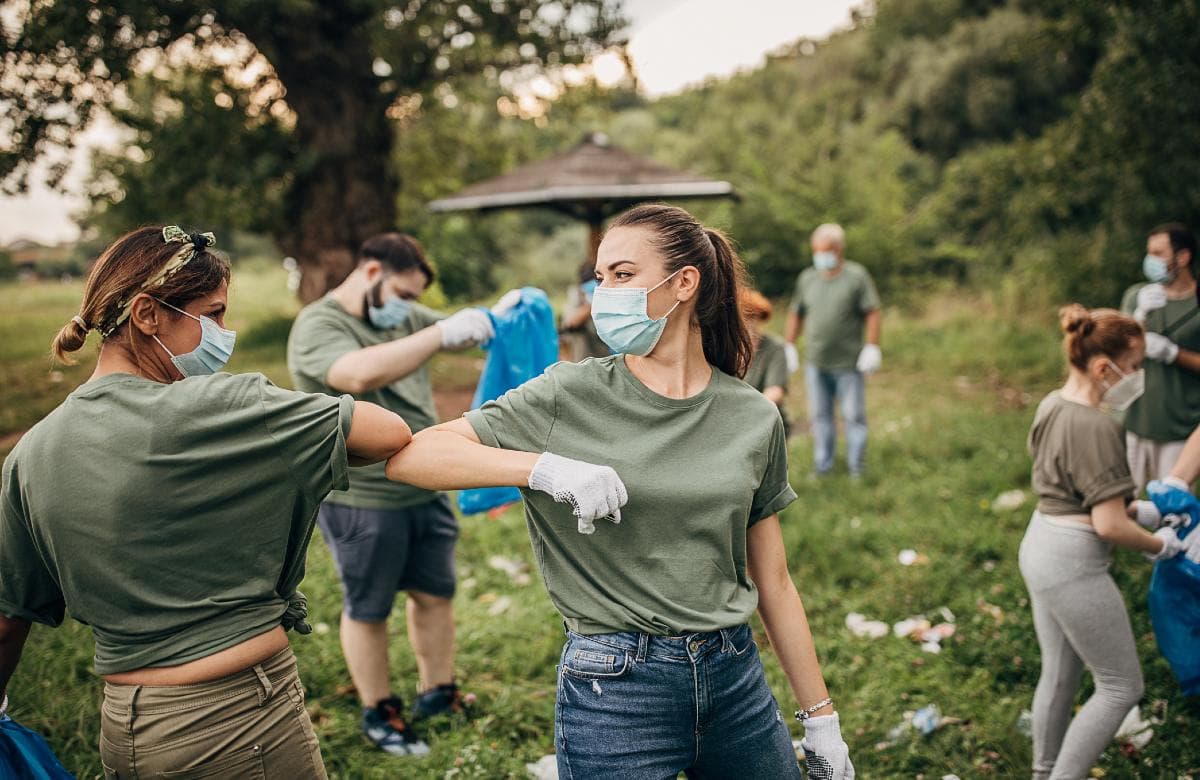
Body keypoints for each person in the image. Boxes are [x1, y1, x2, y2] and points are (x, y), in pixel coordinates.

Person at [386, 204, 854, 779]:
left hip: (735, 676)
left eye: (624, 275)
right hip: (615, 686)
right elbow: (413, 456)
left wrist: (821, 720)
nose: (604, 291)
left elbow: (775, 580)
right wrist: (545, 469)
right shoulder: (568, 393)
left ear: (684, 283)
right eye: (602, 277)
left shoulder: (752, 416)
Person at [0, 226, 415, 778]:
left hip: (126, 729)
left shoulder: (33, 451)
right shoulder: (224, 407)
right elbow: (387, 432)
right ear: (147, 314)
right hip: (237, 721)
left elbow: (9, 619)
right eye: (213, 315)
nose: (226, 332)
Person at [286, 232, 498, 756]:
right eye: (405, 294)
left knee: (435, 594)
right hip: (362, 497)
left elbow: (459, 330)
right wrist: (440, 332)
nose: (409, 309)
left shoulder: (400, 312)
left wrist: (502, 312)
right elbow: (354, 373)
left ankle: (437, 692)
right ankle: (379, 709)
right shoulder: (320, 324)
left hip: (426, 483)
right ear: (373, 272)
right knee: (369, 606)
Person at [1019, 304, 1183, 780]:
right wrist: (1160, 544)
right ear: (1102, 367)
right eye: (1134, 367)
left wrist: (1140, 510)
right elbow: (1109, 526)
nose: (1137, 376)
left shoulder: (1053, 403)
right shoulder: (1098, 426)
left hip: (1041, 542)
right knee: (1120, 686)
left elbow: (1076, 488)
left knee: (1061, 672)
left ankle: (1043, 771)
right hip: (1072, 564)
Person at [783, 223, 881, 478]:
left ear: (838, 250)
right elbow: (796, 313)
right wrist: (790, 345)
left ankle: (856, 468)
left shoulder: (857, 276)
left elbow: (872, 311)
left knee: (853, 415)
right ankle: (822, 466)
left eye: (825, 250)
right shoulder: (808, 278)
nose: (820, 256)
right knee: (820, 416)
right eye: (816, 251)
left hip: (848, 362)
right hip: (816, 361)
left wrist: (872, 346)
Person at [1118, 223, 1200, 493]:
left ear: (1183, 257)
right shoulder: (1138, 296)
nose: (1150, 260)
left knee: (1170, 509)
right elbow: (1115, 351)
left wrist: (1173, 354)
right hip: (1136, 421)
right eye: (1148, 252)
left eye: (1158, 252)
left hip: (1180, 428)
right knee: (1122, 502)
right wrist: (1138, 317)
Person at [740, 288, 792, 435]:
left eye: (751, 317)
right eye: (743, 316)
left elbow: (775, 391)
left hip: (765, 420)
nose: (747, 322)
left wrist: (748, 413)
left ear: (760, 318)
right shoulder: (724, 347)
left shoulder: (775, 348)